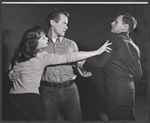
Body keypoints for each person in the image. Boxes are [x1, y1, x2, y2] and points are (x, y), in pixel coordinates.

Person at [8, 8, 112, 121]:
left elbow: (77, 62)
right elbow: (16, 65)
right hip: (47, 92)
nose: (66, 27)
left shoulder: (71, 44)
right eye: (64, 23)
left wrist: (83, 67)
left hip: (70, 90)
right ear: (53, 23)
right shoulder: (38, 44)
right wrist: (11, 73)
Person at [82, 13, 143, 120]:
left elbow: (100, 62)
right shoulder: (135, 47)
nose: (112, 23)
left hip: (116, 95)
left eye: (116, 21)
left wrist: (82, 62)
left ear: (125, 27)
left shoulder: (113, 40)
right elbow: (138, 75)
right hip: (129, 95)